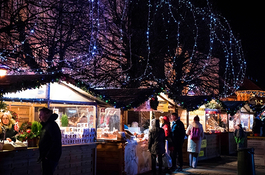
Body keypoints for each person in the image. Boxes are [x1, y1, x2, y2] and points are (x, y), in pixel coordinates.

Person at [38, 107, 62, 175]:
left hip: (50, 158)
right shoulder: (47, 125)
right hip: (47, 157)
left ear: (46, 115)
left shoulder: (51, 125)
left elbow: (56, 142)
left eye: (41, 115)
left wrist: (48, 156)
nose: (39, 117)